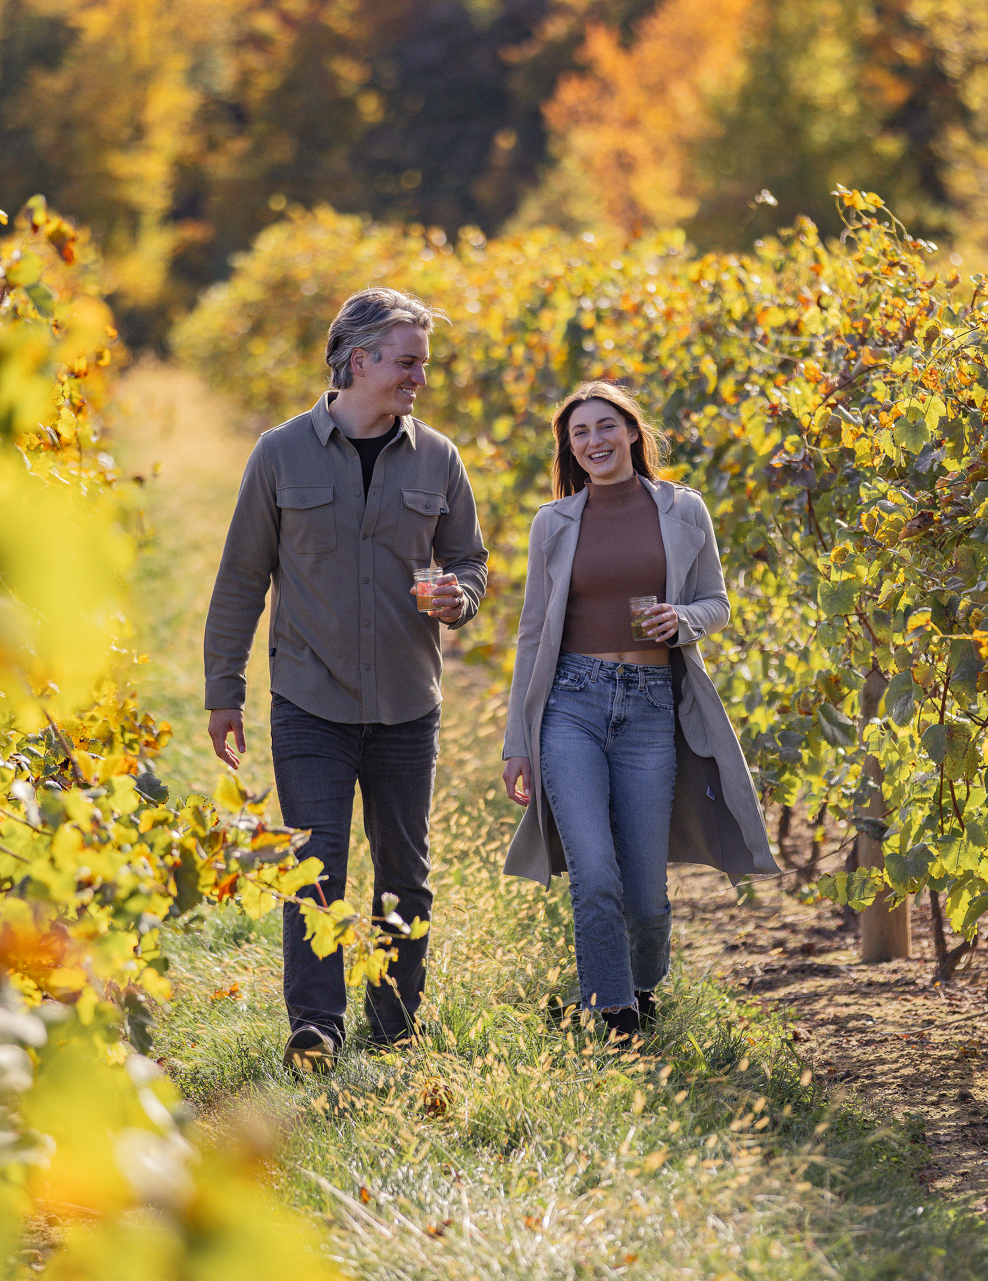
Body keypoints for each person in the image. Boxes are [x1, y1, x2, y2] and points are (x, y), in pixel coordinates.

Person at [204, 286, 489, 1071]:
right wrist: (222, 689)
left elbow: (470, 560)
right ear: (357, 360)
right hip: (310, 697)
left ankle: (395, 1025)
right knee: (316, 865)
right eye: (406, 362)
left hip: (407, 702)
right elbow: (241, 577)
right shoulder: (280, 452)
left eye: (422, 364)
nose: (418, 379)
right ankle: (317, 1029)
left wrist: (458, 595)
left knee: (406, 872)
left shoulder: (439, 457)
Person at [500, 382, 775, 1041]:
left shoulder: (684, 509)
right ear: (570, 448)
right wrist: (519, 739)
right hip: (572, 702)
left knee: (646, 895)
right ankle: (611, 1009)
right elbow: (534, 631)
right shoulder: (554, 522)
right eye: (579, 433)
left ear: (631, 431)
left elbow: (717, 603)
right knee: (594, 871)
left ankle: (642, 987)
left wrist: (681, 618)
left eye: (606, 426)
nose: (594, 441)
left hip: (651, 708)